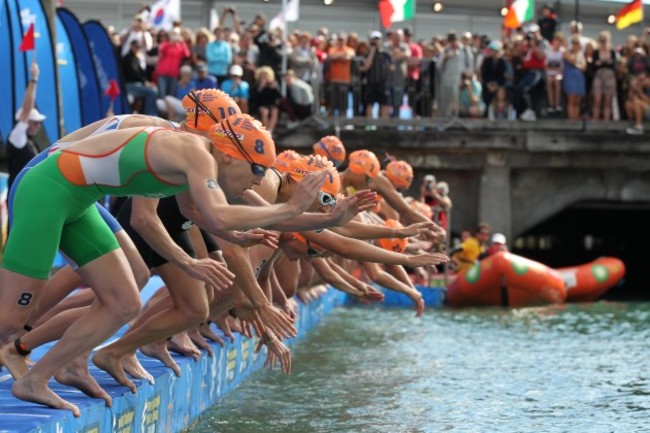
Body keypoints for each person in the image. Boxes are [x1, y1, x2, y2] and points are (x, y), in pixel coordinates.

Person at [0, 109, 327, 415]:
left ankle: (36, 379)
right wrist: (292, 208)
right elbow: (205, 214)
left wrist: (209, 252)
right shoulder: (191, 150)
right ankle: (27, 346)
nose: (259, 180)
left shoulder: (196, 160)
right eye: (257, 169)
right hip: (47, 189)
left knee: (124, 303)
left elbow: (195, 212)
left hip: (80, 200)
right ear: (228, 155)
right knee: (11, 319)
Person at [7, 61, 45, 193]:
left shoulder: (31, 143)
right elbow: (27, 109)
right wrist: (34, 79)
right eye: (34, 122)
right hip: (18, 195)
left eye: (39, 122)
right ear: (25, 122)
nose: (38, 126)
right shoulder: (17, 136)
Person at [360, 31, 392, 120]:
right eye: (373, 40)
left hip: (383, 83)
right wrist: (372, 52)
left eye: (377, 39)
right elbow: (366, 67)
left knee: (384, 104)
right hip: (371, 82)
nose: (375, 42)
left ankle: (383, 125)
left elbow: (391, 67)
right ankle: (370, 126)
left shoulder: (385, 54)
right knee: (369, 104)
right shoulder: (366, 54)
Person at [122, 40, 158, 115]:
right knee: (152, 93)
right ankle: (151, 114)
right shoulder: (128, 58)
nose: (138, 49)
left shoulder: (136, 58)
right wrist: (145, 82)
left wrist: (147, 82)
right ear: (131, 46)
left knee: (152, 90)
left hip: (137, 84)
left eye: (139, 47)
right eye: (136, 47)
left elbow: (142, 73)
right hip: (130, 85)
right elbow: (134, 73)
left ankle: (144, 113)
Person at [327, 32, 355, 116]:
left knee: (343, 105)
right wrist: (342, 56)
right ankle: (331, 124)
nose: (341, 41)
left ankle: (343, 124)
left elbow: (350, 56)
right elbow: (332, 56)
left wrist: (338, 56)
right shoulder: (332, 49)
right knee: (332, 104)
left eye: (342, 40)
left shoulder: (350, 49)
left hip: (345, 80)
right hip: (334, 80)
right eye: (339, 39)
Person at [591, 31, 617, 121]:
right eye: (602, 40)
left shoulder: (612, 52)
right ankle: (595, 120)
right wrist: (605, 63)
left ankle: (606, 122)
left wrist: (602, 63)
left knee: (607, 101)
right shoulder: (596, 52)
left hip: (610, 77)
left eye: (605, 40)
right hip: (598, 77)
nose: (603, 42)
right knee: (597, 100)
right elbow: (594, 65)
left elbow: (614, 65)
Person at [251, 66, 281, 134]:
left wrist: (275, 89)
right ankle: (266, 131)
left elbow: (278, 97)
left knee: (275, 111)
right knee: (264, 111)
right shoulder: (256, 85)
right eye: (263, 76)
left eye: (266, 76)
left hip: (270, 105)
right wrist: (261, 87)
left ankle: (270, 130)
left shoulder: (273, 85)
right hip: (259, 105)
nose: (265, 77)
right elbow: (254, 98)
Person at [563, 36, 586, 120]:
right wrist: (576, 54)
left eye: (577, 44)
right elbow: (572, 61)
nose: (575, 45)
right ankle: (571, 119)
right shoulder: (566, 52)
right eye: (574, 43)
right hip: (570, 78)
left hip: (579, 78)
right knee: (571, 100)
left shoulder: (581, 54)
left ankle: (575, 119)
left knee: (577, 101)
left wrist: (578, 64)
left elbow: (584, 67)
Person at [545, 33, 565, 114]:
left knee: (557, 81)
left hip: (559, 74)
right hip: (549, 74)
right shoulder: (548, 51)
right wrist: (553, 68)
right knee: (549, 81)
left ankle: (557, 104)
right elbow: (545, 66)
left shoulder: (563, 52)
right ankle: (551, 104)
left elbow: (562, 67)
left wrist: (554, 68)